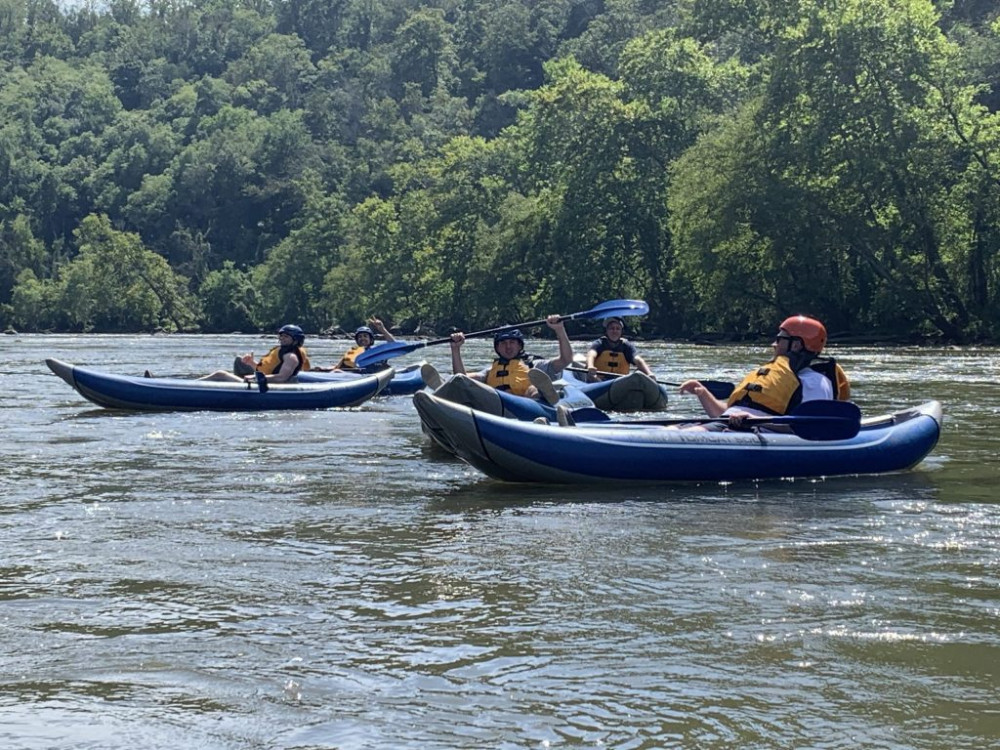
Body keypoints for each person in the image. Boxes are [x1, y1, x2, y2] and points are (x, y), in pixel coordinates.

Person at [678, 315, 850, 430]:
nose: (773, 344)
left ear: (796, 345)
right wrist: (702, 392)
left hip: (754, 432)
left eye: (779, 339)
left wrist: (756, 420)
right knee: (675, 429)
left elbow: (807, 426)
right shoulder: (770, 374)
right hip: (727, 426)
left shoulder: (814, 381)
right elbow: (724, 415)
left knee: (691, 433)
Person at [445, 314, 574, 401]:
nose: (508, 347)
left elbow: (565, 360)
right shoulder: (490, 371)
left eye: (512, 342)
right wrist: (455, 349)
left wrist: (559, 330)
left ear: (519, 346)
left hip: (528, 407)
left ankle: (545, 394)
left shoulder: (534, 365)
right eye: (503, 343)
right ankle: (444, 388)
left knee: (532, 388)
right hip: (499, 408)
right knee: (462, 382)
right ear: (497, 347)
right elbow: (461, 378)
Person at [202, 324, 310, 384]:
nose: (282, 338)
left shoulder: (291, 357)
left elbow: (281, 377)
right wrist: (251, 363)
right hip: (263, 382)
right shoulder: (283, 353)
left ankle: (188, 386)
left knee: (220, 374)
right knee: (238, 361)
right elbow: (267, 370)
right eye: (281, 336)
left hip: (270, 386)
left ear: (295, 340)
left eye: (286, 336)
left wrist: (255, 378)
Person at [312, 317, 397, 372]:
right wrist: (321, 369)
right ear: (357, 340)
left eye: (365, 336)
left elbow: (394, 346)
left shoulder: (377, 351)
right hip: (355, 378)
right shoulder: (353, 351)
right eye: (360, 336)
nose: (362, 338)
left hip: (375, 378)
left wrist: (382, 329)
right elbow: (338, 367)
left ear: (370, 339)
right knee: (337, 371)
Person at [585, 317, 654, 380]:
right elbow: (591, 354)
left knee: (641, 371)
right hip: (598, 380)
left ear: (621, 331)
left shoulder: (626, 346)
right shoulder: (600, 343)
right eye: (612, 328)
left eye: (617, 328)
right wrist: (590, 366)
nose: (614, 331)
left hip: (620, 381)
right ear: (606, 331)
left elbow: (638, 360)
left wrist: (649, 373)